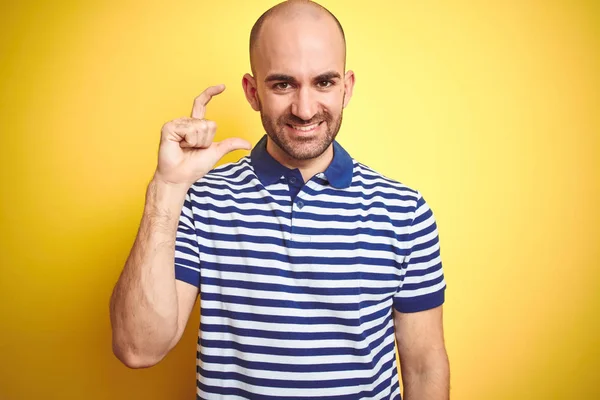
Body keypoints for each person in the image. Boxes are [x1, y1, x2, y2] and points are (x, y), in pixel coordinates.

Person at [109, 0, 450, 399]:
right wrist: (167, 188)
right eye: (282, 84)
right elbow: (137, 348)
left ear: (347, 87)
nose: (305, 110)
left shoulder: (405, 213)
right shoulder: (200, 200)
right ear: (253, 92)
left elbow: (426, 368)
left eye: (323, 82)